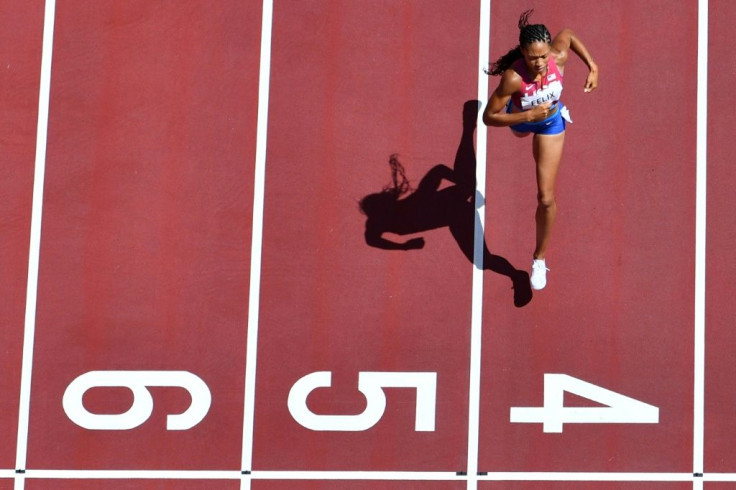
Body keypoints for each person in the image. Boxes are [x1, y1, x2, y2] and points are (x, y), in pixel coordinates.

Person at [482, 9, 598, 290]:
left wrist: (593, 66)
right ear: (522, 52)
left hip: (550, 124)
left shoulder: (558, 58)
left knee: (546, 198)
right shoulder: (512, 78)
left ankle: (539, 259)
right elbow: (488, 117)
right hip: (521, 121)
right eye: (533, 58)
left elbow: (568, 34)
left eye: (543, 56)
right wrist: (525, 117)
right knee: (517, 130)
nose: (540, 63)